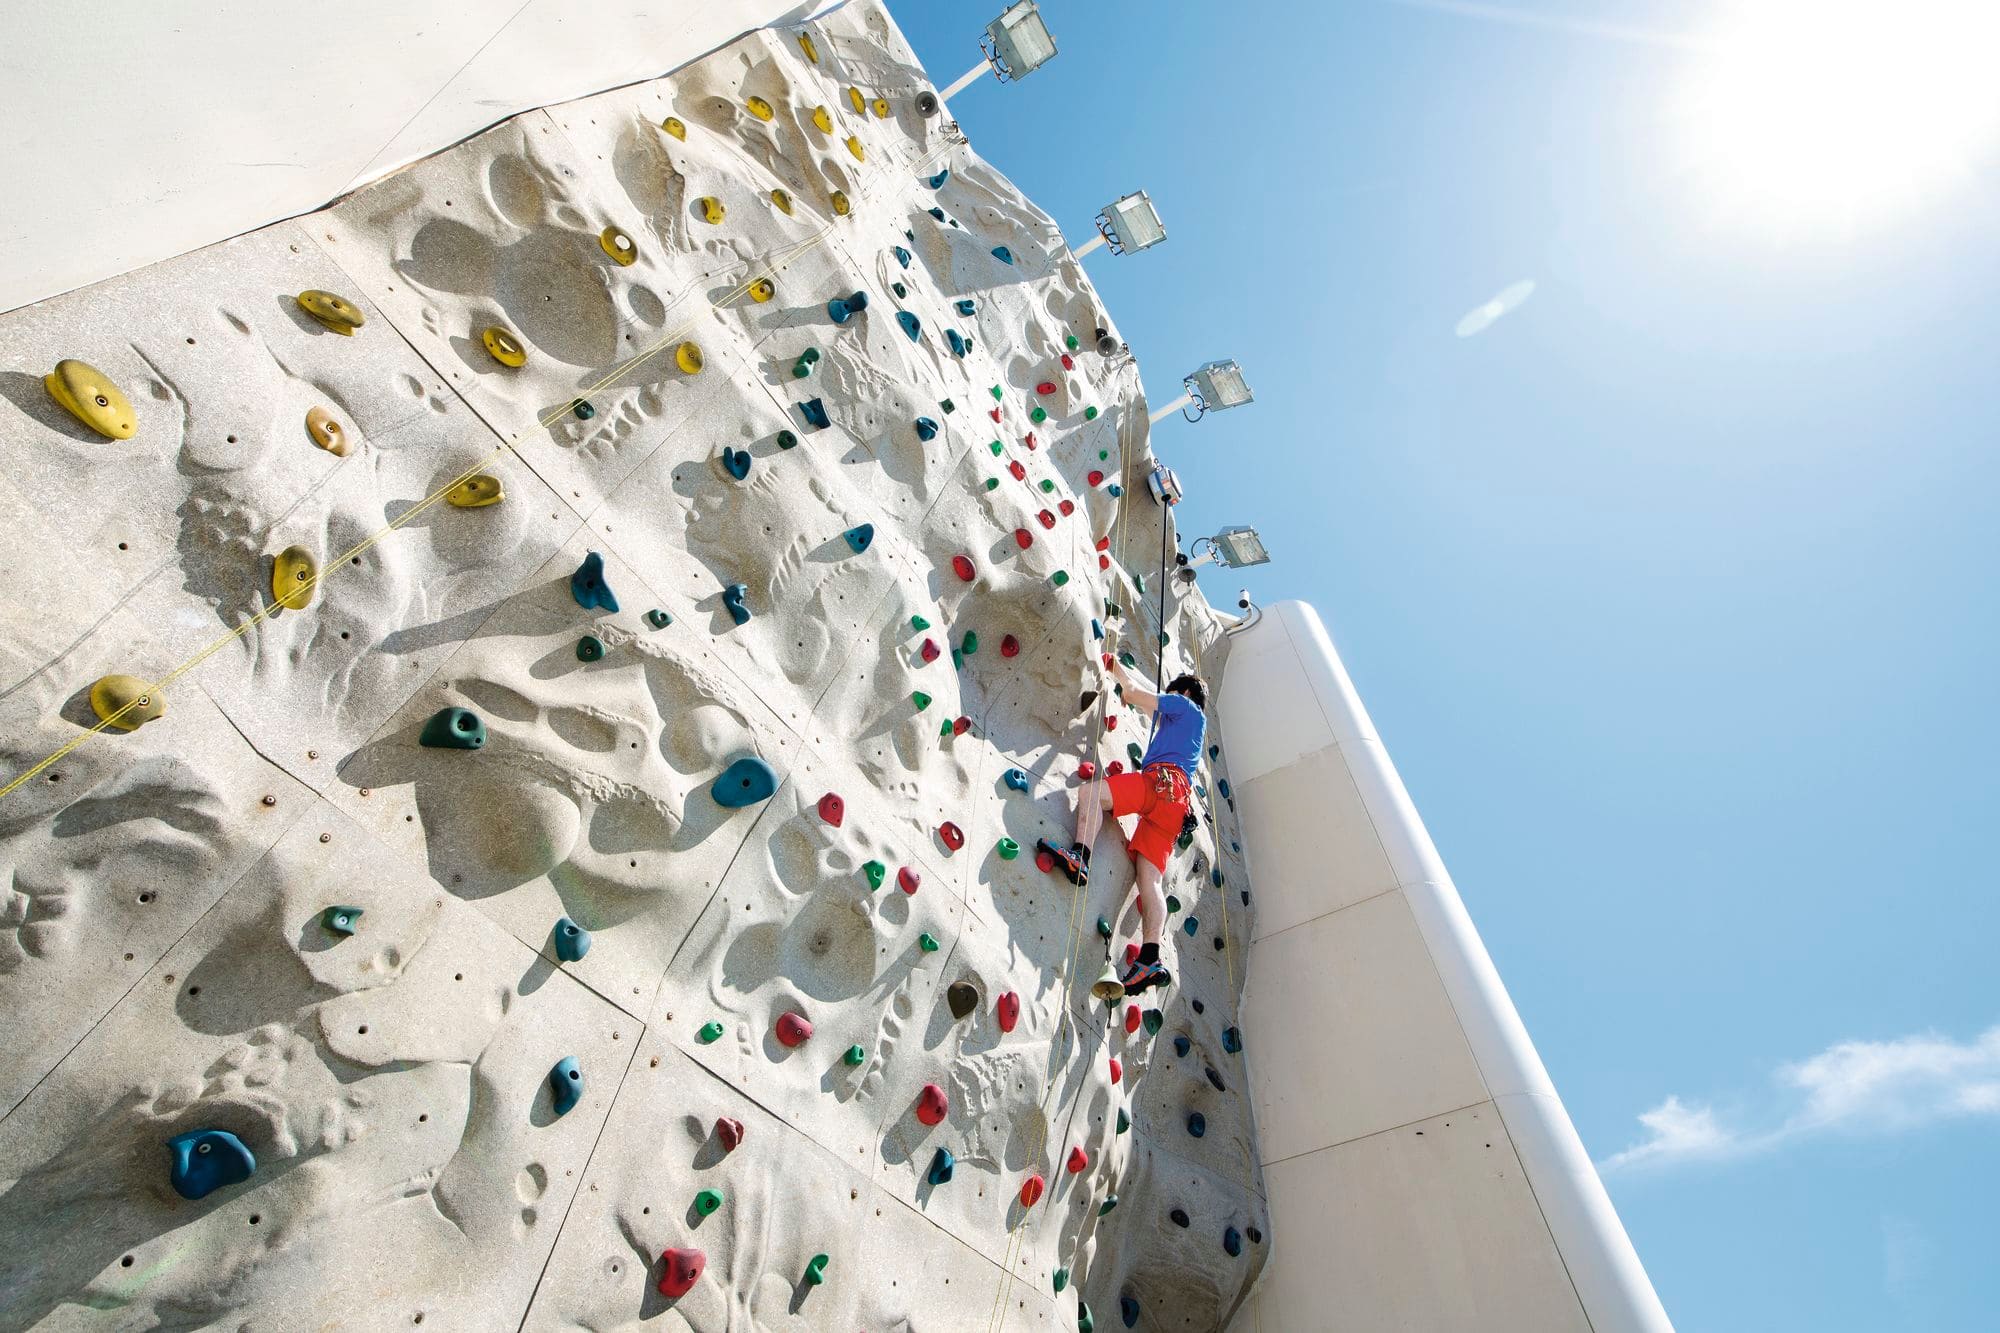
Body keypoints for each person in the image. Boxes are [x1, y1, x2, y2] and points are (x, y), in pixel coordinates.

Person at [1039, 660, 1206, 995]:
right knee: (1150, 878)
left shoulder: (1183, 704)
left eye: (1172, 693)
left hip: (1159, 785)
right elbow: (1143, 706)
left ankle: (1080, 856)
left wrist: (1117, 672)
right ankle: (1150, 956)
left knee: (1091, 794)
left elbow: (1134, 695)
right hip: (1175, 807)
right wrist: (1119, 674)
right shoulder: (1191, 734)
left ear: (1185, 692)